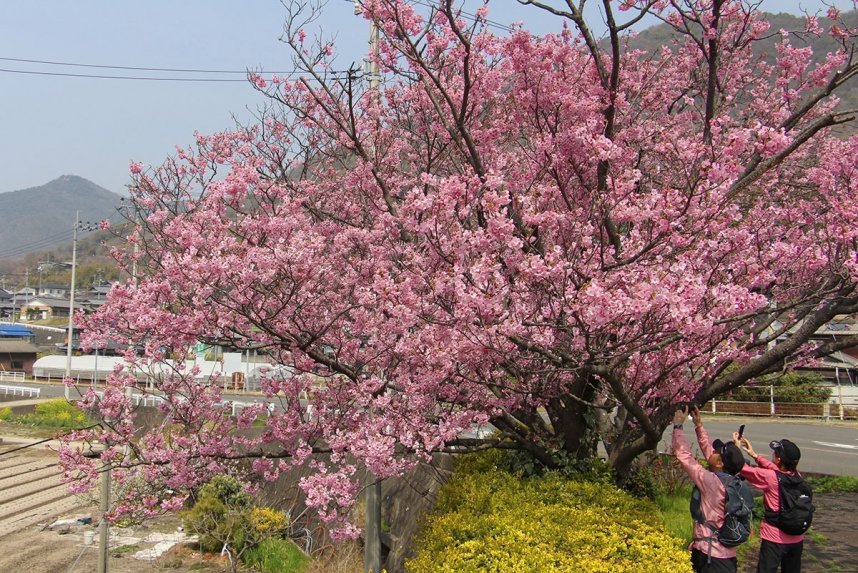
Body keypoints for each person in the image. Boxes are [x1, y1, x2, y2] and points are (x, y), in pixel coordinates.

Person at [672, 406, 746, 573]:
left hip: (709, 556)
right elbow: (712, 455)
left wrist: (678, 427)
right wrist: (699, 426)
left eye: (717, 452)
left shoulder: (711, 482)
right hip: (727, 554)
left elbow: (685, 457)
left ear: (720, 463)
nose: (712, 451)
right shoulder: (735, 479)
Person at [734, 434, 805, 573]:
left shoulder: (771, 478)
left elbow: (742, 468)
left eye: (775, 452)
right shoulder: (798, 476)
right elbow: (775, 469)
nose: (773, 454)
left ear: (778, 459)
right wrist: (755, 455)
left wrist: (737, 449)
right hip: (797, 538)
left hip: (774, 538)